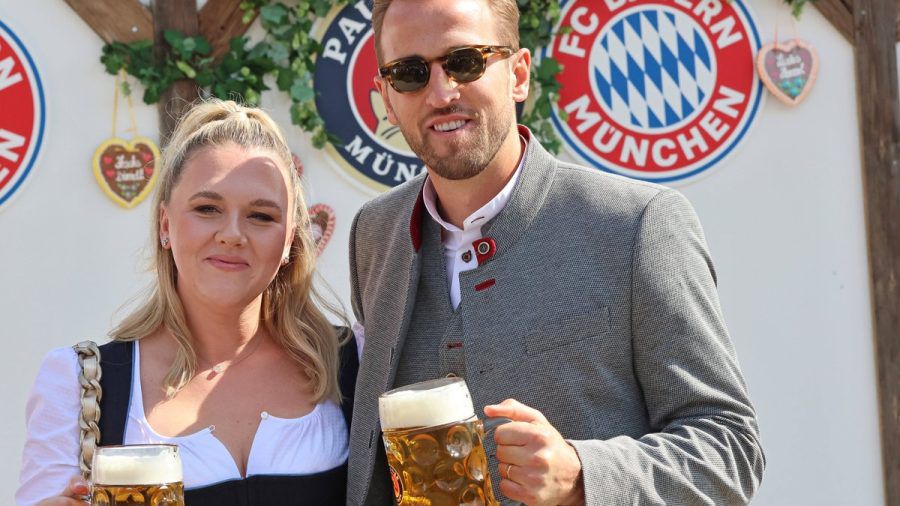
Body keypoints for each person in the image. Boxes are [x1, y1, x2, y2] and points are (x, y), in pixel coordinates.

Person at [346, 0, 765, 504]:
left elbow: (730, 446)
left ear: (518, 74)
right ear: (387, 99)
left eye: (465, 62)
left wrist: (583, 475)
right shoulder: (374, 234)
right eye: (410, 73)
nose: (440, 92)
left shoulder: (637, 224)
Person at [17, 100, 358, 505]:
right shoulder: (80, 383)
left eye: (261, 216)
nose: (232, 234)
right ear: (165, 224)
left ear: (289, 242)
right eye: (207, 209)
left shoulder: (355, 359)